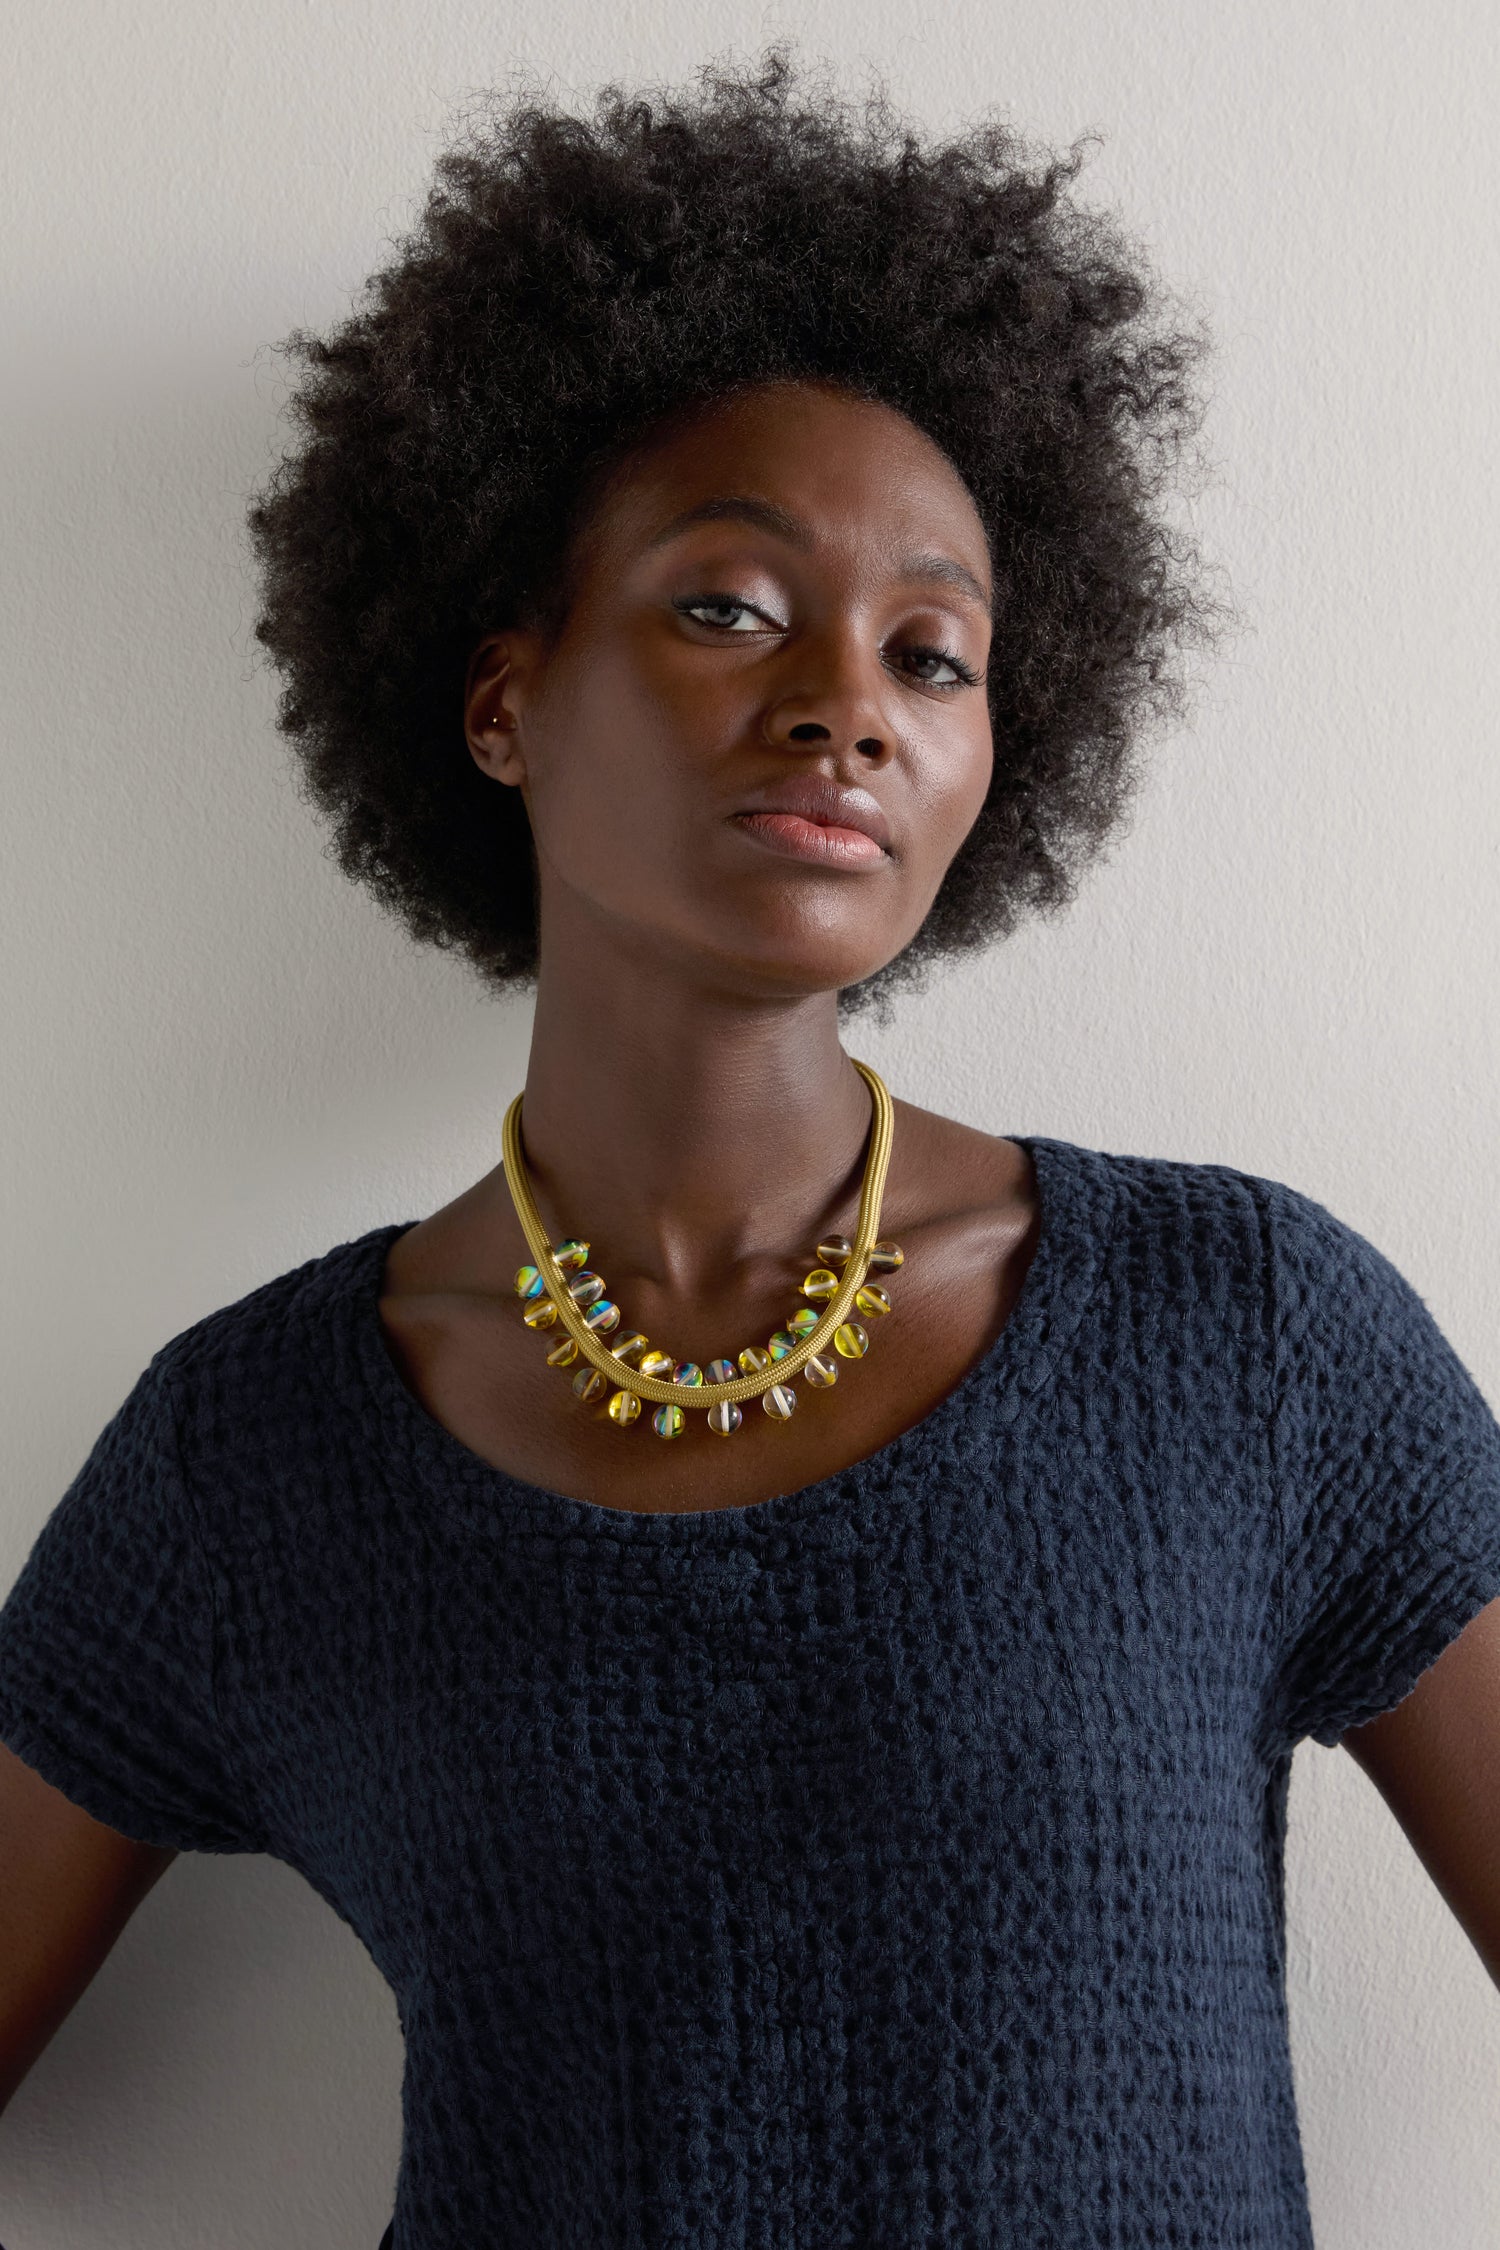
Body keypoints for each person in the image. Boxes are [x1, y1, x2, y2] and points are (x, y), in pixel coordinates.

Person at [1, 49, 1497, 2250]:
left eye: (936, 652)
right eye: (728, 604)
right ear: (502, 697)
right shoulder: (258, 1461)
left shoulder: (1246, 1340)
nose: (849, 703)